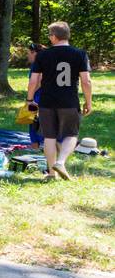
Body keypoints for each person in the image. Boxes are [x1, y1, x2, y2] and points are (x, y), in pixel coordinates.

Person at [27, 21, 93, 181]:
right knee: (71, 135)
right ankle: (61, 162)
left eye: (50, 35)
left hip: (47, 102)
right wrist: (88, 102)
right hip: (69, 101)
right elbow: (86, 81)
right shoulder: (80, 54)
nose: (49, 38)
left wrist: (29, 99)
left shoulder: (42, 55)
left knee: (49, 137)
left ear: (55, 36)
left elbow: (34, 81)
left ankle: (51, 173)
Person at [25, 42, 44, 146]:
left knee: (34, 121)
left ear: (34, 53)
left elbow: (39, 81)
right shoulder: (38, 64)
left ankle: (37, 145)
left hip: (38, 97)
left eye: (29, 53)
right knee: (33, 121)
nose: (27, 55)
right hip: (37, 96)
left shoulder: (39, 64)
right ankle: (36, 145)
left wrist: (30, 97)